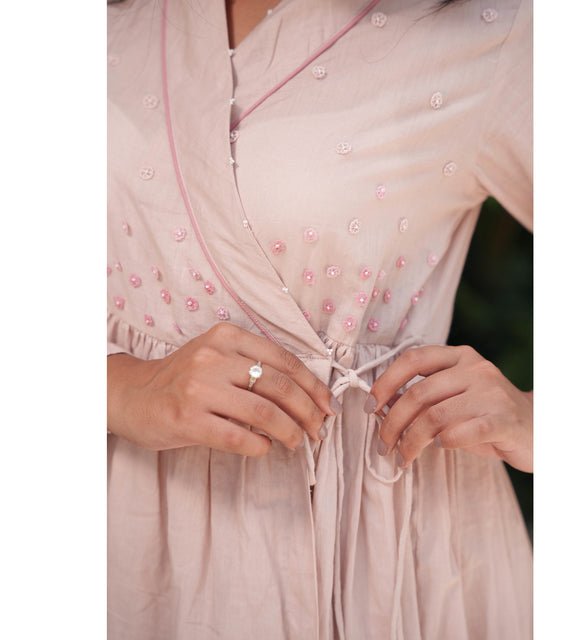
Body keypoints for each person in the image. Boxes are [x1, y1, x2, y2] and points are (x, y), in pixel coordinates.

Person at [107, 0, 533, 638]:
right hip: (122, 521)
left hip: (377, 546)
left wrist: (535, 420)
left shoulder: (490, 32)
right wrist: (119, 388)